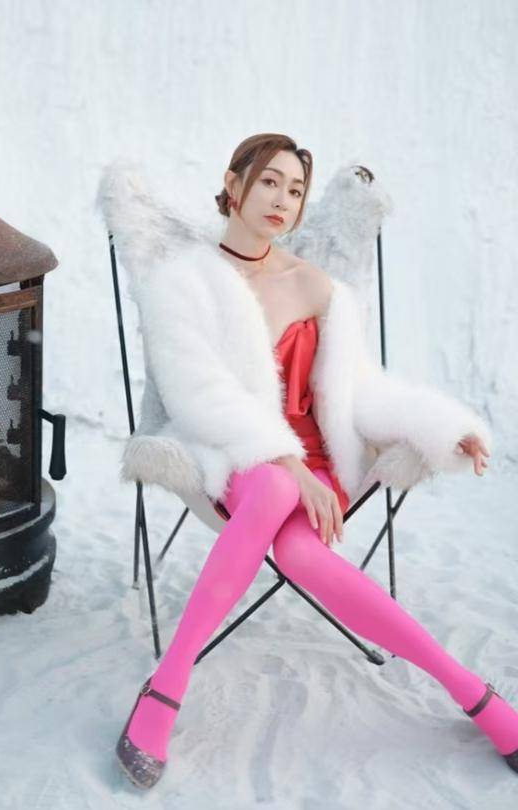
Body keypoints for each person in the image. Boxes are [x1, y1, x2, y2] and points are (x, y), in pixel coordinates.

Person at [115, 134, 515, 790]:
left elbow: (359, 391)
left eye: (296, 190)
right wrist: (287, 465)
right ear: (234, 184)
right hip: (235, 452)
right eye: (269, 182)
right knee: (275, 490)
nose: (283, 200)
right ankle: (168, 685)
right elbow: (196, 394)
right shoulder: (182, 281)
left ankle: (467, 689)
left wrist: (443, 431)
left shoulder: (317, 285)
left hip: (321, 465)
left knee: (301, 553)